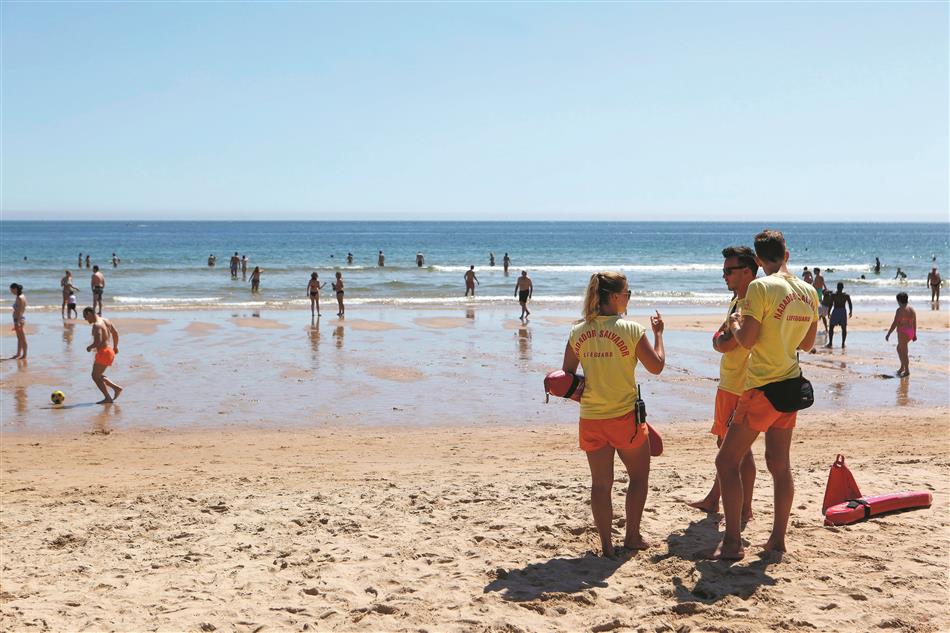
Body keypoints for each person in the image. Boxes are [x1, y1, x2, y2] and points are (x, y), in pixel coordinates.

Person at [713, 229, 818, 560]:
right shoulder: (808, 291)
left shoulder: (760, 287)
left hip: (762, 387)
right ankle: (777, 538)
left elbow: (746, 340)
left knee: (726, 461)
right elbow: (807, 344)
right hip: (791, 384)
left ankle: (732, 543)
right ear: (786, 254)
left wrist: (733, 322)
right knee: (779, 464)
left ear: (758, 260)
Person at [561, 272, 665, 556]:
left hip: (592, 418)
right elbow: (656, 367)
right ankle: (631, 536)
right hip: (625, 419)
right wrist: (658, 335)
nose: (629, 299)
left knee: (601, 484)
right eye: (628, 294)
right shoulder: (631, 330)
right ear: (615, 297)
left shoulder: (577, 331)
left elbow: (567, 376)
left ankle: (606, 545)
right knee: (639, 478)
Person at [688, 247, 758, 524]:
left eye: (729, 271)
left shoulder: (748, 303)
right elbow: (720, 335)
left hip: (739, 384)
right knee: (728, 446)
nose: (724, 275)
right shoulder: (737, 301)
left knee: (736, 449)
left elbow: (725, 341)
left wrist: (719, 339)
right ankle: (713, 498)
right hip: (731, 382)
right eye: (723, 270)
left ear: (746, 272)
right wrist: (720, 338)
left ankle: (745, 508)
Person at [83, 307, 123, 404]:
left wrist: (89, 347)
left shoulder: (96, 326)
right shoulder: (106, 320)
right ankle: (116, 388)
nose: (85, 319)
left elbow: (98, 341)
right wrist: (115, 347)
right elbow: (115, 333)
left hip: (103, 353)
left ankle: (108, 397)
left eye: (85, 316)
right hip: (109, 351)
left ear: (89, 313)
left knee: (95, 376)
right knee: (97, 375)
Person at [885, 292, 917, 377]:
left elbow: (895, 323)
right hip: (910, 332)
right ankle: (902, 367)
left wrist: (889, 333)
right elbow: (914, 322)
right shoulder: (912, 309)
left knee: (904, 352)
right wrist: (914, 334)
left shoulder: (900, 310)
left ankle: (907, 370)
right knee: (899, 348)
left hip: (903, 332)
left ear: (899, 301)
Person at [826, 282, 852, 348]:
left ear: (837, 287)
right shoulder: (846, 295)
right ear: (843, 287)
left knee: (831, 327)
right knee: (843, 328)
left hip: (836, 311)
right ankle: (843, 343)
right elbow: (850, 304)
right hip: (843, 311)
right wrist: (850, 311)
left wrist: (828, 312)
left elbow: (831, 304)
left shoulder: (833, 295)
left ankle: (830, 343)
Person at [9, 283, 27, 359]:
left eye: (11, 290)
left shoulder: (20, 297)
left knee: (22, 338)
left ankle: (24, 355)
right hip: (18, 319)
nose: (11, 292)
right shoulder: (20, 296)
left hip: (19, 319)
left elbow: (20, 311)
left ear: (15, 289)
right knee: (19, 338)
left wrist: (17, 322)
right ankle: (18, 353)